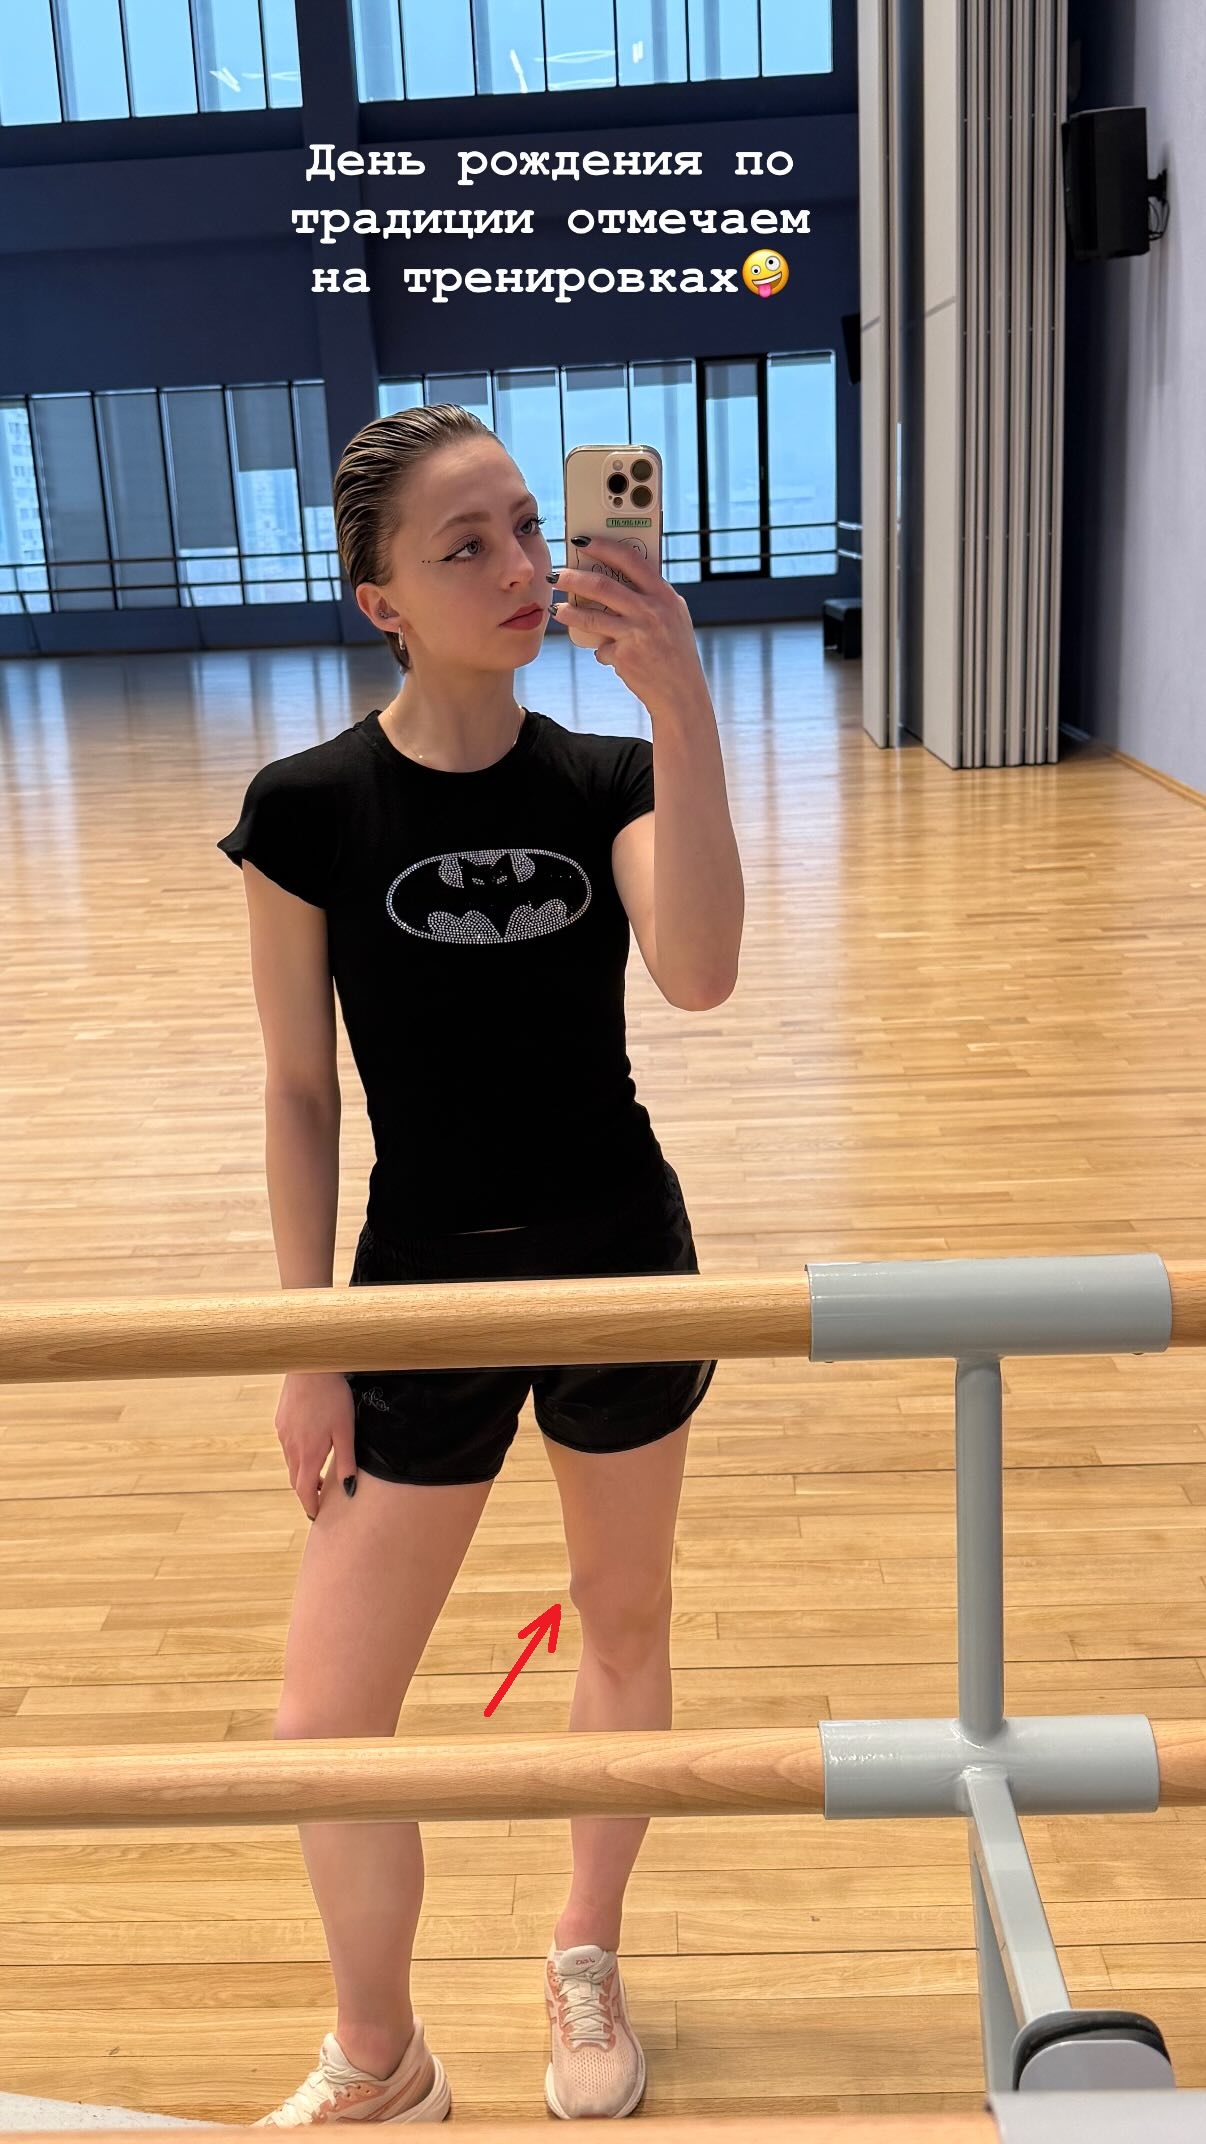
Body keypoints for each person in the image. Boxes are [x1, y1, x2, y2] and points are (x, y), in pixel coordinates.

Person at [215, 404, 744, 2124]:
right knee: (323, 1723)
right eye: (466, 547)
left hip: (617, 1259)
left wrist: (678, 705)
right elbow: (300, 1093)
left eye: (527, 525)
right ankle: (382, 2053)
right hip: (419, 1279)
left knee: (622, 1614)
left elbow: (700, 972)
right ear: (380, 600)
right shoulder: (305, 808)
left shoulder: (603, 781)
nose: (520, 565)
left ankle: (583, 1946)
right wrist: (307, 1344)